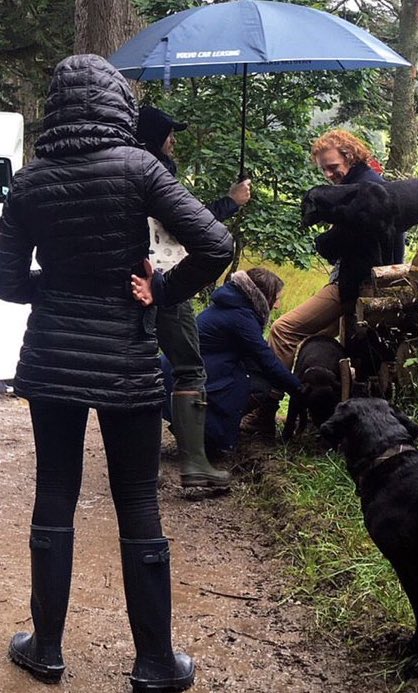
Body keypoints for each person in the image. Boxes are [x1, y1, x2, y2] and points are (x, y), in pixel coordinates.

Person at [0, 55, 233, 691]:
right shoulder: (141, 168)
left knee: (54, 492)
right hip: (127, 356)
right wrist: (161, 290)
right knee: (136, 498)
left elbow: (10, 281)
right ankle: (155, 662)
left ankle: (45, 648)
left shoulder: (29, 182)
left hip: (50, 356)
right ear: (115, 105)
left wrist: (57, 285)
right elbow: (216, 243)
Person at [242, 129, 392, 438]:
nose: (328, 173)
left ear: (350, 156)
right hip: (359, 279)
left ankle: (265, 410)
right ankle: (323, 417)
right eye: (323, 168)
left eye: (333, 165)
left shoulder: (364, 189)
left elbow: (347, 242)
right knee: (323, 340)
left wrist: (325, 241)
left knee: (285, 330)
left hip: (357, 284)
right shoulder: (367, 182)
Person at [135, 105, 251, 488]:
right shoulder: (157, 172)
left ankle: (138, 469)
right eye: (169, 132)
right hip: (167, 280)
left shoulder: (122, 167)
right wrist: (231, 202)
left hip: (132, 281)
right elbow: (191, 223)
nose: (174, 140)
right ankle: (195, 467)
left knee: (138, 367)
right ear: (155, 136)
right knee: (188, 368)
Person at [157, 268, 303, 456]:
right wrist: (300, 390)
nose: (277, 305)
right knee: (260, 385)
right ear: (262, 295)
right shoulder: (241, 317)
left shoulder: (233, 305)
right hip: (186, 377)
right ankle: (207, 433)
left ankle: (199, 429)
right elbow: (267, 361)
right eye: (276, 298)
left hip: (180, 370)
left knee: (251, 376)